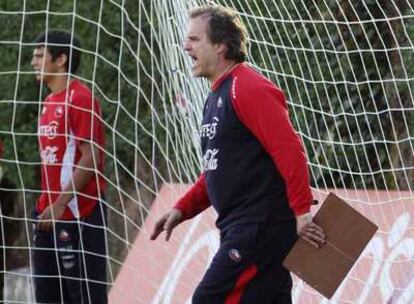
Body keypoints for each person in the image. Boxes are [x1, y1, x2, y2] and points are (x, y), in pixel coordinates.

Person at [151, 5, 326, 304]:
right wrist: (182, 209)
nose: (185, 46)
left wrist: (301, 212)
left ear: (220, 45)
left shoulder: (247, 87)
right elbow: (217, 169)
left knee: (208, 299)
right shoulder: (216, 96)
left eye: (194, 39)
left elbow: (290, 150)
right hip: (246, 227)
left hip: (258, 227)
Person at [31, 30, 107, 304]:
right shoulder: (49, 102)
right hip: (47, 213)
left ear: (61, 59)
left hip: (78, 213)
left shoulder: (81, 99)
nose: (33, 62)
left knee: (85, 296)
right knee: (48, 296)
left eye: (40, 56)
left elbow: (91, 156)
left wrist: (61, 203)